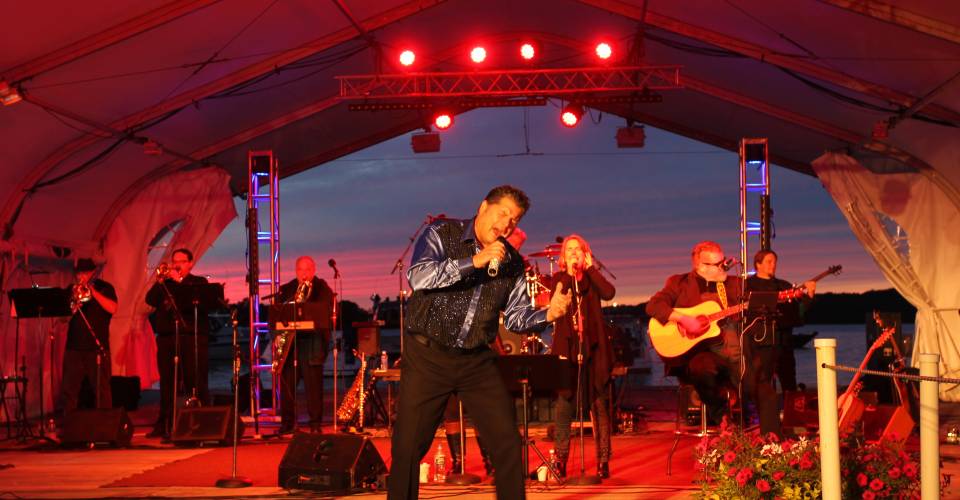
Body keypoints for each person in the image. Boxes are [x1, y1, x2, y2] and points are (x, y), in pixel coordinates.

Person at [387, 185, 571, 500]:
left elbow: (516, 318)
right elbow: (418, 277)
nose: (507, 224)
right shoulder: (442, 234)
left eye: (514, 220)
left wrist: (548, 314)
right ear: (484, 207)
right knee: (408, 447)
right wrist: (475, 260)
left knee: (507, 443)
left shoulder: (512, 263)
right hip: (428, 356)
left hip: (476, 360)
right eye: (503, 213)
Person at [645, 241, 743, 426]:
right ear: (701, 266)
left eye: (723, 261)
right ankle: (723, 418)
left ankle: (763, 427)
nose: (724, 266)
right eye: (718, 264)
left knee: (752, 370)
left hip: (729, 351)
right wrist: (683, 319)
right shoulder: (679, 283)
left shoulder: (734, 284)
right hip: (695, 353)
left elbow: (756, 301)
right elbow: (653, 306)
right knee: (703, 368)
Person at [550, 234, 616, 479]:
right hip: (567, 348)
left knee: (599, 404)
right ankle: (560, 460)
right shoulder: (559, 278)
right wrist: (569, 273)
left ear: (585, 253)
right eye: (569, 249)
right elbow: (558, 298)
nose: (574, 253)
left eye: (578, 249)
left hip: (594, 347)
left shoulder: (592, 278)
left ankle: (603, 461)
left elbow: (609, 293)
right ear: (563, 256)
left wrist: (589, 269)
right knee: (564, 405)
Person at [145, 248, 213, 438]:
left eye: (181, 261)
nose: (176, 265)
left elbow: (202, 305)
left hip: (191, 337)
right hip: (167, 338)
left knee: (195, 380)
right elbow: (149, 299)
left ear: (190, 263)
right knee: (167, 383)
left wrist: (180, 283)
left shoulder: (198, 283)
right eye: (174, 261)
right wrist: (160, 282)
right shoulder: (165, 284)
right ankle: (165, 423)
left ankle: (199, 422)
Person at [275, 256, 335, 434]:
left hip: (312, 343)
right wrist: (277, 336)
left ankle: (315, 424)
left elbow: (324, 310)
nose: (304, 273)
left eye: (308, 269)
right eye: (301, 269)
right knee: (287, 385)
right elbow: (278, 313)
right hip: (291, 344)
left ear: (314, 270)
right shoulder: (287, 289)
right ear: (296, 271)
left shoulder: (322, 288)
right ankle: (287, 423)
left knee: (313, 386)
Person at [745, 250, 815, 395]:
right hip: (759, 344)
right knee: (761, 383)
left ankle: (790, 409)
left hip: (784, 343)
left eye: (775, 262)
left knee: (789, 383)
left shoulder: (784, 286)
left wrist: (810, 295)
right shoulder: (747, 286)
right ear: (758, 264)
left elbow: (800, 311)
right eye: (769, 262)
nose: (773, 265)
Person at [60, 258, 118, 413]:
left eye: (85, 272)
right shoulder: (71, 290)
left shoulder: (105, 287)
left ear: (93, 272)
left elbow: (113, 308)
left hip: (97, 347)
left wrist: (93, 292)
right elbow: (62, 319)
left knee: (102, 390)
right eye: (79, 273)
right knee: (69, 390)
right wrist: (73, 307)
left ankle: (105, 423)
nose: (82, 276)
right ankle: (69, 423)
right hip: (74, 347)